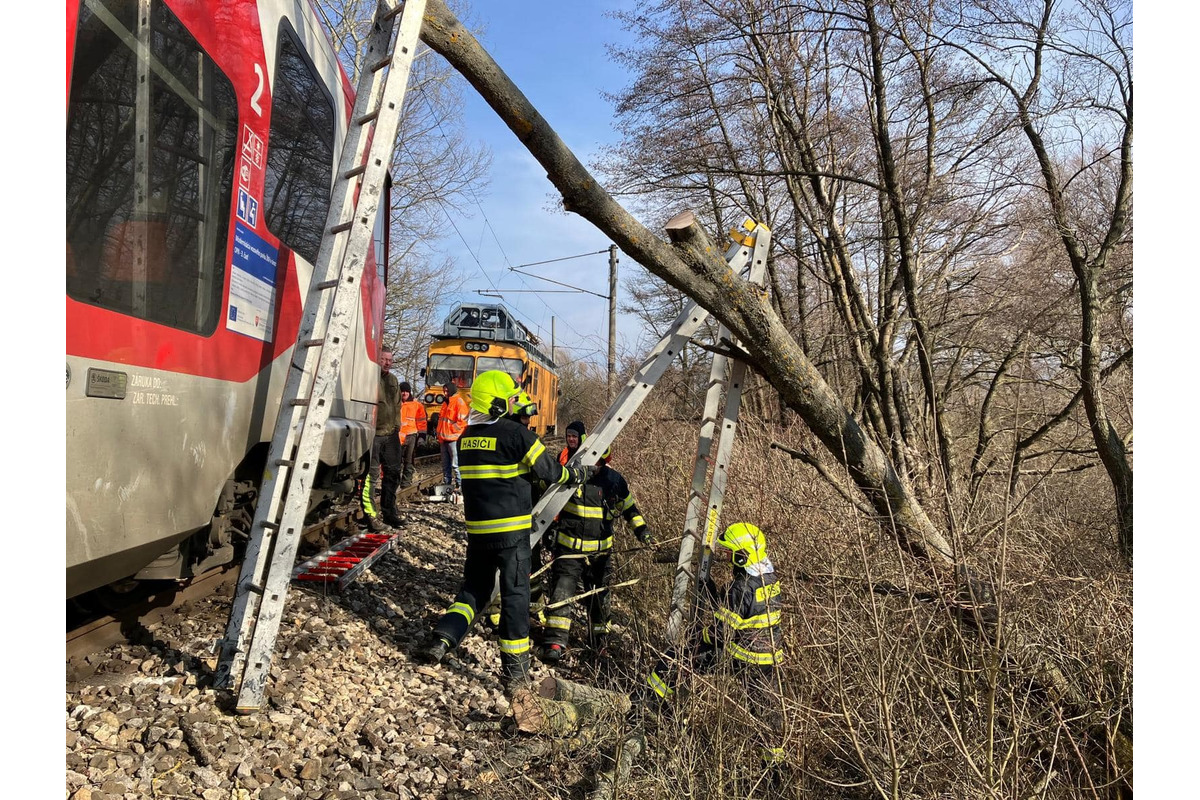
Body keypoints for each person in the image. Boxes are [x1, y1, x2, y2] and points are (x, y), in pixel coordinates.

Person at [416, 371, 596, 690]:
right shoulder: (516, 434)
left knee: (474, 589)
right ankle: (515, 672)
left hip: (478, 532)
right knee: (516, 596)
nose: (516, 405)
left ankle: (442, 639)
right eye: (512, 399)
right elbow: (551, 471)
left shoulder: (467, 435)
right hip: (511, 535)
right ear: (500, 403)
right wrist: (578, 476)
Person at [645, 522, 785, 768]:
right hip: (768, 660)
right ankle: (776, 772)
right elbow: (745, 612)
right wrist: (713, 596)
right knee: (767, 717)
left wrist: (699, 638)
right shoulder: (769, 577)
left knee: (675, 658)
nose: (728, 556)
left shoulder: (739, 587)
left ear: (743, 556)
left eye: (731, 553)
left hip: (738, 656)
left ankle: (645, 708)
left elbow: (723, 632)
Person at [541, 441, 650, 663]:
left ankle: (599, 643)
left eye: (600, 462)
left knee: (601, 599)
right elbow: (551, 506)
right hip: (569, 551)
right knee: (562, 594)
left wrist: (643, 532)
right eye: (593, 461)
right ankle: (555, 642)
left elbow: (630, 509)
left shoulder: (614, 481)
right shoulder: (573, 476)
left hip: (600, 555)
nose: (595, 466)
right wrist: (548, 532)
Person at [361, 348, 404, 531]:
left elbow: (397, 405)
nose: (387, 362)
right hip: (374, 434)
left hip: (391, 434)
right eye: (384, 359)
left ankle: (389, 512)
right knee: (371, 476)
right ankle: (371, 515)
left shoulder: (393, 380)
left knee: (393, 473)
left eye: (389, 359)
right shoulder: (369, 376)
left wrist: (397, 427)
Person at [436, 378, 470, 488]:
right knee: (445, 464)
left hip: (453, 439)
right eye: (444, 391)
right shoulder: (446, 403)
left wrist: (453, 431)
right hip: (444, 439)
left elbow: (463, 421)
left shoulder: (458, 402)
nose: (445, 393)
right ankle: (447, 484)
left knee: (456, 464)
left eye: (446, 391)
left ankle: (459, 484)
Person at [398, 381, 427, 488]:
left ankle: (406, 484)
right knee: (395, 463)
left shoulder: (417, 405)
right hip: (397, 438)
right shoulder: (396, 404)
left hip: (411, 436)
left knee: (408, 461)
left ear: (409, 392)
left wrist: (422, 437)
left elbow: (422, 422)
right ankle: (394, 484)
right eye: (402, 391)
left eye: (406, 391)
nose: (404, 393)